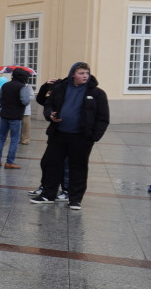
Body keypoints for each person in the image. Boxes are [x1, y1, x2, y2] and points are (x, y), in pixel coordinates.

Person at [31, 62, 110, 209]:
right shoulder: (61, 88)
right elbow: (48, 104)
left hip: (81, 137)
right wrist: (50, 115)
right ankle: (48, 194)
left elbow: (103, 117)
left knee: (78, 168)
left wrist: (93, 137)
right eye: (81, 73)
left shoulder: (97, 93)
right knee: (52, 164)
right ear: (73, 74)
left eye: (87, 73)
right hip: (59, 134)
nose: (85, 76)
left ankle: (75, 199)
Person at [0, 67, 31, 169]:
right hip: (16, 116)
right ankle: (9, 161)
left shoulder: (5, 85)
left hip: (4, 114)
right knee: (14, 139)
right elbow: (25, 101)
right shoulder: (22, 87)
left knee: (1, 138)